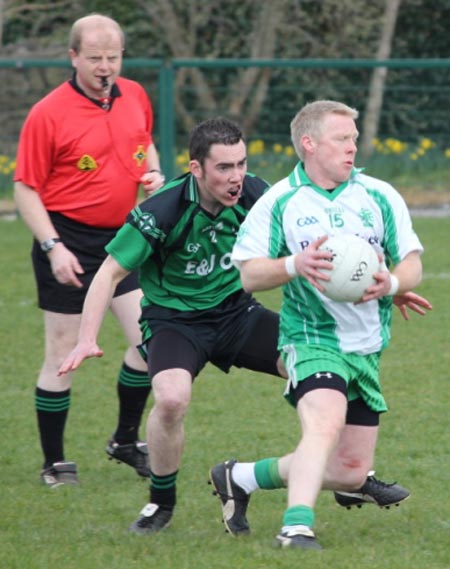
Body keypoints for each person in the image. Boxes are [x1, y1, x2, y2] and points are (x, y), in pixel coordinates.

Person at [58, 116, 430, 534]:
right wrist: (86, 338)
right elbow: (108, 274)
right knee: (171, 399)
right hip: (176, 322)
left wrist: (385, 285)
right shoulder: (162, 209)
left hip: (237, 314)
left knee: (322, 372)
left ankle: (349, 476)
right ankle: (160, 504)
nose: (237, 177)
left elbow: (311, 240)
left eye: (241, 164)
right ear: (196, 168)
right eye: (224, 168)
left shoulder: (257, 194)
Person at [213, 100, 425, 550]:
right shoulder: (281, 202)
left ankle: (240, 476)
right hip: (311, 338)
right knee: (324, 423)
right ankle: (296, 527)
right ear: (309, 144)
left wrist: (391, 283)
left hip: (366, 345)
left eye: (353, 138)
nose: (353, 148)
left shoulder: (379, 195)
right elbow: (249, 275)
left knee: (349, 471)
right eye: (342, 139)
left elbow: (412, 262)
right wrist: (294, 264)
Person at [14, 14, 165, 488]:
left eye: (113, 57)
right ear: (73, 57)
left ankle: (124, 440)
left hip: (123, 241)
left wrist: (154, 177)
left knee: (152, 341)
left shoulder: (136, 95)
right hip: (68, 241)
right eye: (95, 58)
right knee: (62, 349)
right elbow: (25, 189)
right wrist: (53, 247)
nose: (105, 66)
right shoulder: (48, 112)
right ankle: (54, 463)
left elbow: (146, 145)